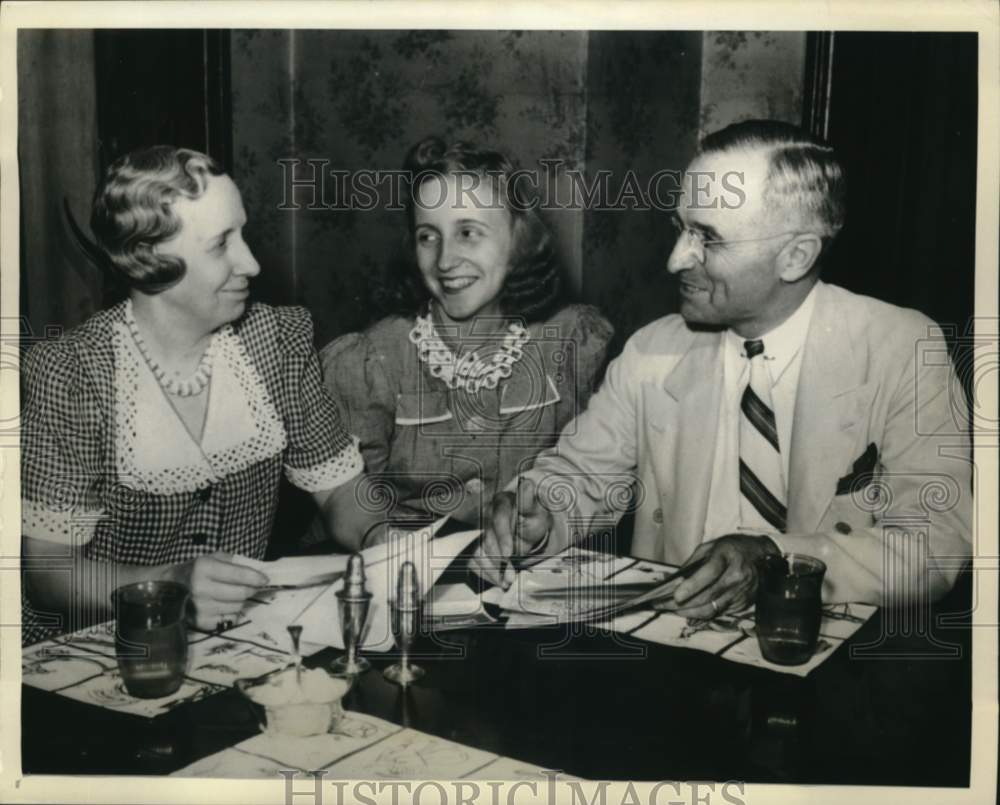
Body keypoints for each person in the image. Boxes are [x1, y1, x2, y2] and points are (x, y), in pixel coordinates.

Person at [477, 120, 973, 615]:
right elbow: (579, 476)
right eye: (680, 229)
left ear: (796, 256)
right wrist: (537, 512)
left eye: (707, 239)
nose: (675, 260)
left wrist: (777, 557)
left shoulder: (902, 348)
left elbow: (934, 547)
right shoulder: (653, 350)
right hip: (673, 659)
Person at [20, 145, 383, 645]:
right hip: (97, 650)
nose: (251, 263)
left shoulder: (277, 341)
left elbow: (342, 491)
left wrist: (390, 542)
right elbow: (48, 574)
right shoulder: (73, 372)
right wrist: (168, 584)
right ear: (148, 259)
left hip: (232, 646)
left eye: (244, 234)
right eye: (221, 244)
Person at [316, 137, 612, 535]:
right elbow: (350, 509)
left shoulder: (569, 342)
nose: (445, 260)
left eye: (468, 232)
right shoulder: (373, 360)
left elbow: (593, 484)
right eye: (428, 236)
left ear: (519, 240)